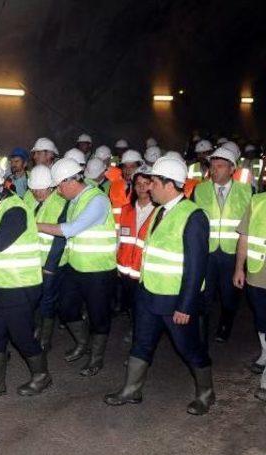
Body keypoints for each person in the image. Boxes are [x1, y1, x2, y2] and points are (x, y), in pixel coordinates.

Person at [105, 155, 213, 415]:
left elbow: (196, 267)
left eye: (153, 182)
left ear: (168, 184)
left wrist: (186, 306)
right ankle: (132, 389)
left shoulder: (193, 216)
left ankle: (206, 393)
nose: (149, 187)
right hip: (148, 294)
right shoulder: (159, 211)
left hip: (174, 301)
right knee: (141, 343)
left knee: (189, 348)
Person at [0, 166, 48, 401]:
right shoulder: (2, 208)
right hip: (2, 285)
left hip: (21, 287)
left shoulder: (15, 211)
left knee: (21, 336)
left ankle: (42, 376)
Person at [39, 158, 117, 377]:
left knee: (98, 315)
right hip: (76, 267)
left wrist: (34, 225)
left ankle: (96, 357)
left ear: (70, 181)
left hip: (99, 270)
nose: (58, 191)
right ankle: (83, 343)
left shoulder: (97, 200)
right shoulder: (75, 200)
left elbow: (71, 229)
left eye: (59, 186)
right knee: (66, 307)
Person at [193, 146, 252, 343]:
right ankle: (202, 333)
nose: (215, 169)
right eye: (213, 165)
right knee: (205, 294)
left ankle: (225, 326)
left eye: (220, 166)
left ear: (231, 169)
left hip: (232, 252)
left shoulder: (246, 191)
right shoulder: (200, 189)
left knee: (229, 295)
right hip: (207, 251)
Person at [25, 165, 68, 351]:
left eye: (40, 189)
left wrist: (50, 265)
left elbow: (60, 237)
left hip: (53, 262)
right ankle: (36, 329)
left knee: (47, 300)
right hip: (33, 260)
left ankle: (45, 338)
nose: (36, 192)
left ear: (50, 187)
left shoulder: (60, 202)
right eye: (33, 189)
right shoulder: (29, 199)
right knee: (34, 298)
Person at [234, 191, 266, 401]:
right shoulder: (257, 201)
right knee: (262, 321)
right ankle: (265, 352)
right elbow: (244, 237)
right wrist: (239, 268)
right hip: (257, 274)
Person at [116, 166, 156, 336]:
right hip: (125, 269)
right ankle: (135, 325)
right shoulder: (125, 210)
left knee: (142, 305)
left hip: (144, 270)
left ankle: (140, 331)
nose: (141, 187)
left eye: (146, 183)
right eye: (138, 183)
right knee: (131, 302)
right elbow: (118, 238)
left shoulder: (158, 212)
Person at [109, 149, 143, 231]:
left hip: (135, 232)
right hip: (113, 231)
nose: (128, 170)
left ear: (140, 167)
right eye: (125, 166)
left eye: (132, 166)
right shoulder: (114, 185)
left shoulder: (145, 189)